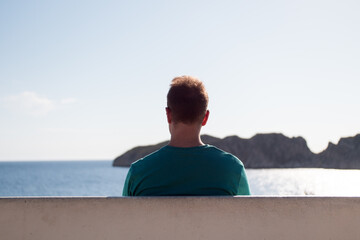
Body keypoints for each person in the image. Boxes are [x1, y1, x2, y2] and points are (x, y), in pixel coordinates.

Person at [122, 76, 250, 196]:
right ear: (205, 117)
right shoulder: (232, 168)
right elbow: (248, 216)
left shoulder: (138, 173)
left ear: (168, 115)